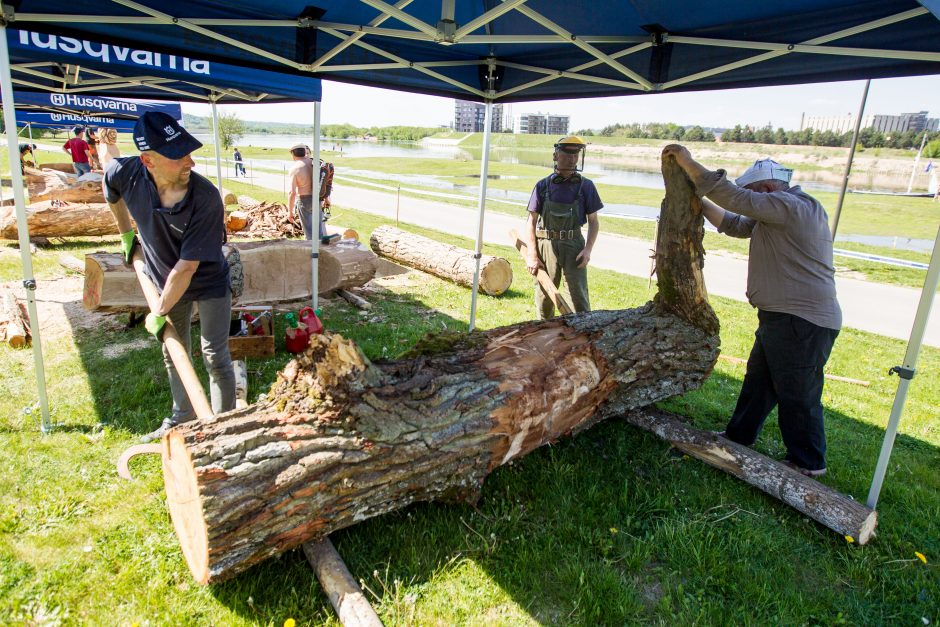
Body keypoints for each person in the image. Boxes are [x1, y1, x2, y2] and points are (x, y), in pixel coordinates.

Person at [662, 145, 841, 477]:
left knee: (797, 390)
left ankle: (808, 461)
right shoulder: (773, 216)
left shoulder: (792, 206)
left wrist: (687, 162)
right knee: (759, 381)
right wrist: (696, 202)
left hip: (801, 320)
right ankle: (738, 437)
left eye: (753, 193)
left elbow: (735, 200)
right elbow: (734, 223)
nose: (751, 200)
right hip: (781, 317)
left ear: (768, 190)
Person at [103, 111, 235, 443]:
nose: (190, 161)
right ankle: (181, 418)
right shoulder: (126, 173)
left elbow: (187, 268)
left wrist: (158, 311)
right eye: (179, 156)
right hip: (166, 281)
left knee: (215, 354)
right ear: (148, 160)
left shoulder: (204, 197)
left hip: (206, 281)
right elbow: (111, 191)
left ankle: (225, 428)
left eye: (189, 151)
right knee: (173, 350)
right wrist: (125, 234)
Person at [523, 135, 602, 319]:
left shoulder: (586, 187)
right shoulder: (542, 186)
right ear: (555, 155)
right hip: (546, 244)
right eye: (567, 154)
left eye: (575, 155)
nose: (572, 159)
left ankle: (580, 334)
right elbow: (531, 222)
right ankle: (544, 332)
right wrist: (532, 254)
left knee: (578, 298)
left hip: (574, 245)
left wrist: (588, 250)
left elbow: (594, 222)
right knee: (544, 296)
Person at [287, 143, 324, 240]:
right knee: (319, 232)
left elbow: (292, 192)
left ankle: (312, 254)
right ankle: (321, 252)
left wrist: (290, 212)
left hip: (304, 200)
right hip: (318, 198)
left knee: (309, 233)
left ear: (293, 154)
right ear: (304, 152)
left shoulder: (295, 168)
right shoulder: (315, 163)